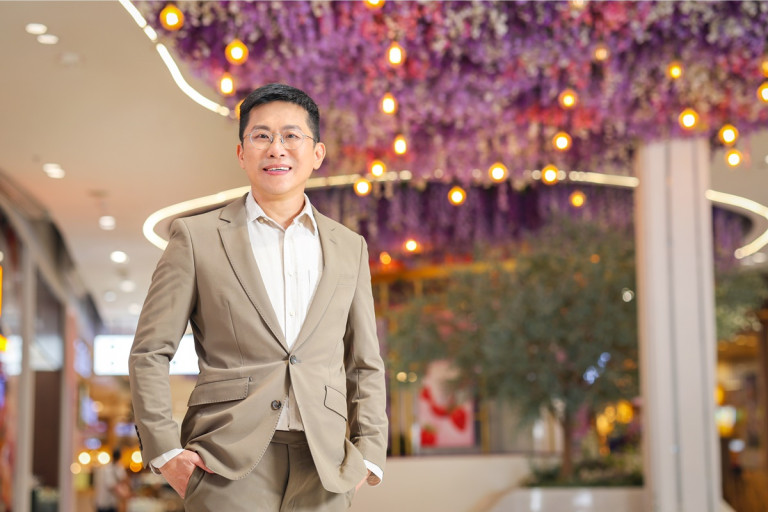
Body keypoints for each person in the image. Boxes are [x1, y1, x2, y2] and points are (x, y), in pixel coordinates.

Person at [129, 83, 388, 511]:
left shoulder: (349, 247)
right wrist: (165, 452)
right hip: (225, 462)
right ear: (241, 152)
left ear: (317, 153)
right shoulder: (195, 238)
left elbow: (364, 362)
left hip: (325, 464)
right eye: (261, 136)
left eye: (291, 135)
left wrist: (370, 454)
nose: (276, 148)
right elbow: (150, 351)